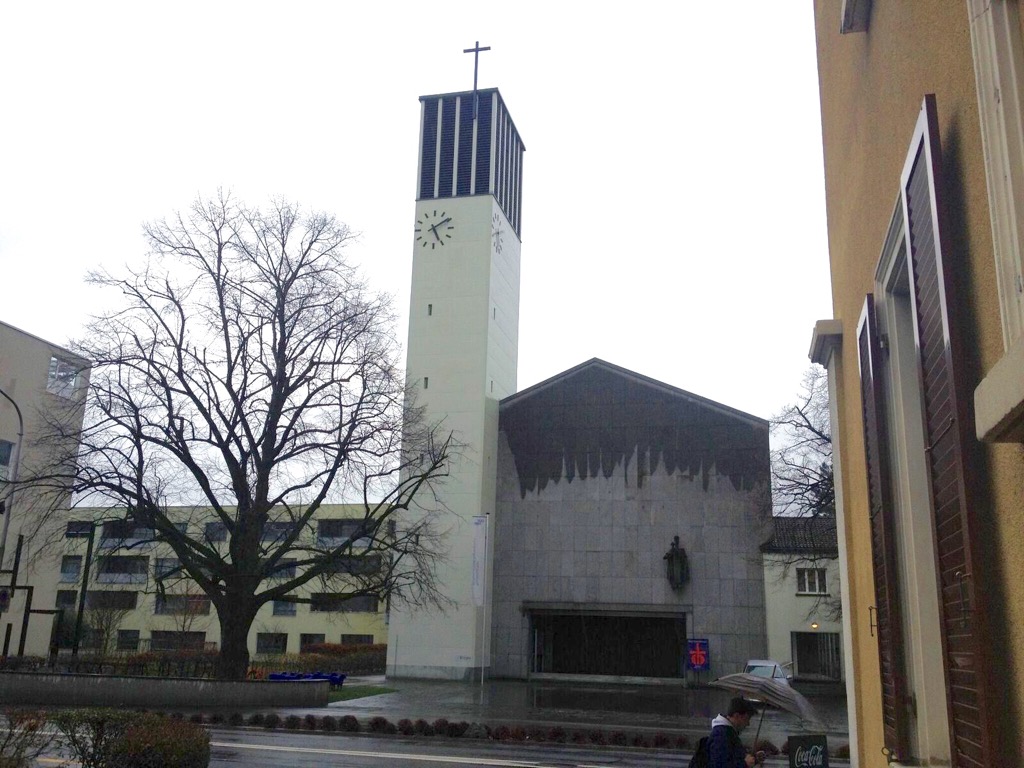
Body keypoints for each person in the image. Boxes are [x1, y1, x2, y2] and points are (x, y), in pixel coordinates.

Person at [708, 696, 761, 768]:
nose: (748, 724)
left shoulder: (727, 732)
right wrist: (744, 764)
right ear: (736, 716)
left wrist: (754, 758)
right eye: (746, 719)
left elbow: (733, 757)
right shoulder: (722, 735)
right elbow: (719, 765)